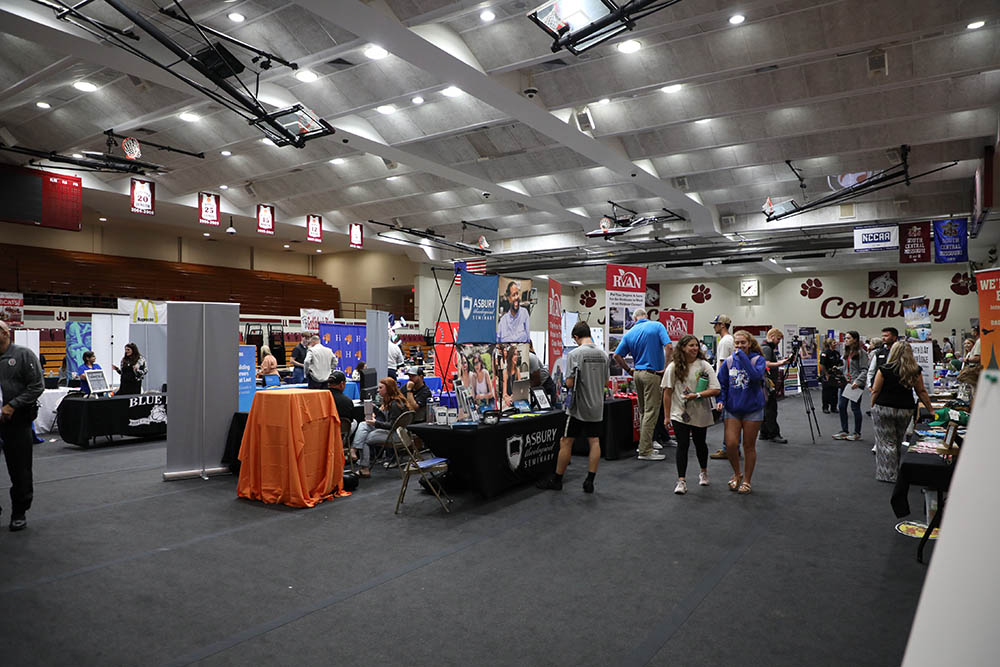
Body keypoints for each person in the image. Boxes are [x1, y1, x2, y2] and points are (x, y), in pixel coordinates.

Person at [537, 321, 609, 493]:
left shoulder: (575, 354)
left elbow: (569, 382)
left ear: (576, 337)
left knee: (566, 441)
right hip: (597, 406)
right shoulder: (603, 355)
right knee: (594, 441)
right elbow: (606, 382)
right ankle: (590, 481)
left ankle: (557, 479)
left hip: (578, 407)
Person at [662, 335, 721, 494]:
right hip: (679, 413)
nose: (695, 348)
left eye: (696, 345)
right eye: (691, 346)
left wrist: (698, 395)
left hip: (700, 412)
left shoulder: (704, 365)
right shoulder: (673, 367)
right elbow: (667, 393)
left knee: (700, 443)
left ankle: (704, 472)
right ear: (682, 348)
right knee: (682, 445)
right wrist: (667, 416)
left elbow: (716, 389)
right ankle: (681, 481)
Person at [0, 320, 44, 531]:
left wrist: (13, 405)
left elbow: (37, 385)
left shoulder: (23, 355)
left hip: (16, 421)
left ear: (5, 333)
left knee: (20, 469)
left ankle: (19, 511)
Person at [612, 308, 672, 461]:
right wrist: (666, 368)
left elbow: (617, 355)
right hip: (652, 374)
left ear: (635, 318)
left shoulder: (630, 333)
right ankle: (645, 450)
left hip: (637, 374)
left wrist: (628, 370)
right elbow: (669, 347)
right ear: (646, 316)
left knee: (645, 413)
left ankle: (644, 445)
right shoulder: (657, 326)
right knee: (651, 413)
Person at [871, 342, 935, 482]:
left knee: (885, 442)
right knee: (897, 441)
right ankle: (896, 471)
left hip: (884, 408)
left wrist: (872, 404)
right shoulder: (915, 370)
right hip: (905, 409)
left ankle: (887, 474)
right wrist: (930, 409)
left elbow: (876, 390)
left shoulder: (884, 369)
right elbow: (921, 391)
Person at [717, 330, 767, 495]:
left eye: (742, 343)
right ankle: (737, 473)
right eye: (736, 343)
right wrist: (721, 400)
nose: (739, 346)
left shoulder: (757, 360)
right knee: (731, 444)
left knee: (748, 445)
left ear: (749, 344)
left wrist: (744, 359)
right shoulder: (729, 362)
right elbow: (722, 383)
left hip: (753, 409)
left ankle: (747, 480)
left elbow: (755, 377)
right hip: (733, 409)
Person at [352, 377, 406, 477]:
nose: (378, 390)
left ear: (388, 389)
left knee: (365, 437)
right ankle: (355, 452)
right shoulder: (394, 401)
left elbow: (391, 425)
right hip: (397, 433)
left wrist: (375, 423)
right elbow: (387, 420)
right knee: (363, 425)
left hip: (395, 435)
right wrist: (376, 410)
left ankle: (364, 466)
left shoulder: (395, 404)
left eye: (381, 388)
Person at [833, 331, 869, 441]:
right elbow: (846, 368)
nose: (846, 340)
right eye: (845, 338)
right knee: (842, 406)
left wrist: (857, 382)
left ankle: (857, 433)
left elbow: (864, 370)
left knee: (855, 408)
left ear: (855, 339)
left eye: (848, 338)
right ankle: (844, 431)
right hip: (846, 383)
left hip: (855, 384)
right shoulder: (848, 352)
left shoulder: (861, 353)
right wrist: (837, 369)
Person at [710, 314, 736, 459]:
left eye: (716, 324)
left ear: (722, 325)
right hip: (730, 383)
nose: (714, 327)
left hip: (726, 384)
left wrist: (719, 385)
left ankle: (729, 448)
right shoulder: (728, 340)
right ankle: (731, 447)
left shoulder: (725, 342)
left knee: (728, 418)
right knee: (730, 418)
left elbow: (723, 365)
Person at [759, 328, 791, 444]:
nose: (778, 342)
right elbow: (766, 363)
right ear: (772, 336)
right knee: (771, 409)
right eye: (778, 339)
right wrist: (781, 363)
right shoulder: (767, 349)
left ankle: (764, 432)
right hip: (768, 383)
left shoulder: (765, 347)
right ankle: (773, 433)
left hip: (766, 382)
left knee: (766, 408)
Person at [329, 370, 355, 451]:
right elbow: (349, 420)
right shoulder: (347, 401)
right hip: (340, 430)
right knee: (354, 423)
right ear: (342, 384)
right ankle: (345, 447)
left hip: (324, 431)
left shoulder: (321, 397)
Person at [527, 342, 557, 408]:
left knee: (547, 409)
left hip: (545, 384)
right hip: (536, 383)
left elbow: (537, 380)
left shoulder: (530, 356)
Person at [819, 338, 843, 413]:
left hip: (834, 374)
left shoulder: (837, 353)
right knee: (826, 391)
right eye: (834, 343)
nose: (835, 344)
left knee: (835, 391)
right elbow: (822, 365)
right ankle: (825, 407)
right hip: (826, 374)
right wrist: (826, 374)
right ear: (829, 344)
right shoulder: (825, 353)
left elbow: (840, 362)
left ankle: (834, 407)